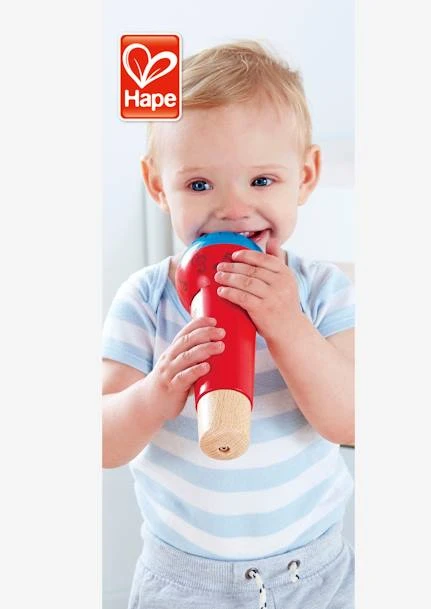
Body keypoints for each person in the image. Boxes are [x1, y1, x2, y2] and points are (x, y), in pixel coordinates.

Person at [103, 39, 355, 609]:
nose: (235, 209)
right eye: (199, 185)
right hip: (184, 583)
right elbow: (100, 440)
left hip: (315, 576)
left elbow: (352, 420)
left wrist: (288, 326)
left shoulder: (321, 291)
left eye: (262, 181)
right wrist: (155, 393)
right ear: (158, 186)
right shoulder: (145, 300)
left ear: (306, 176)